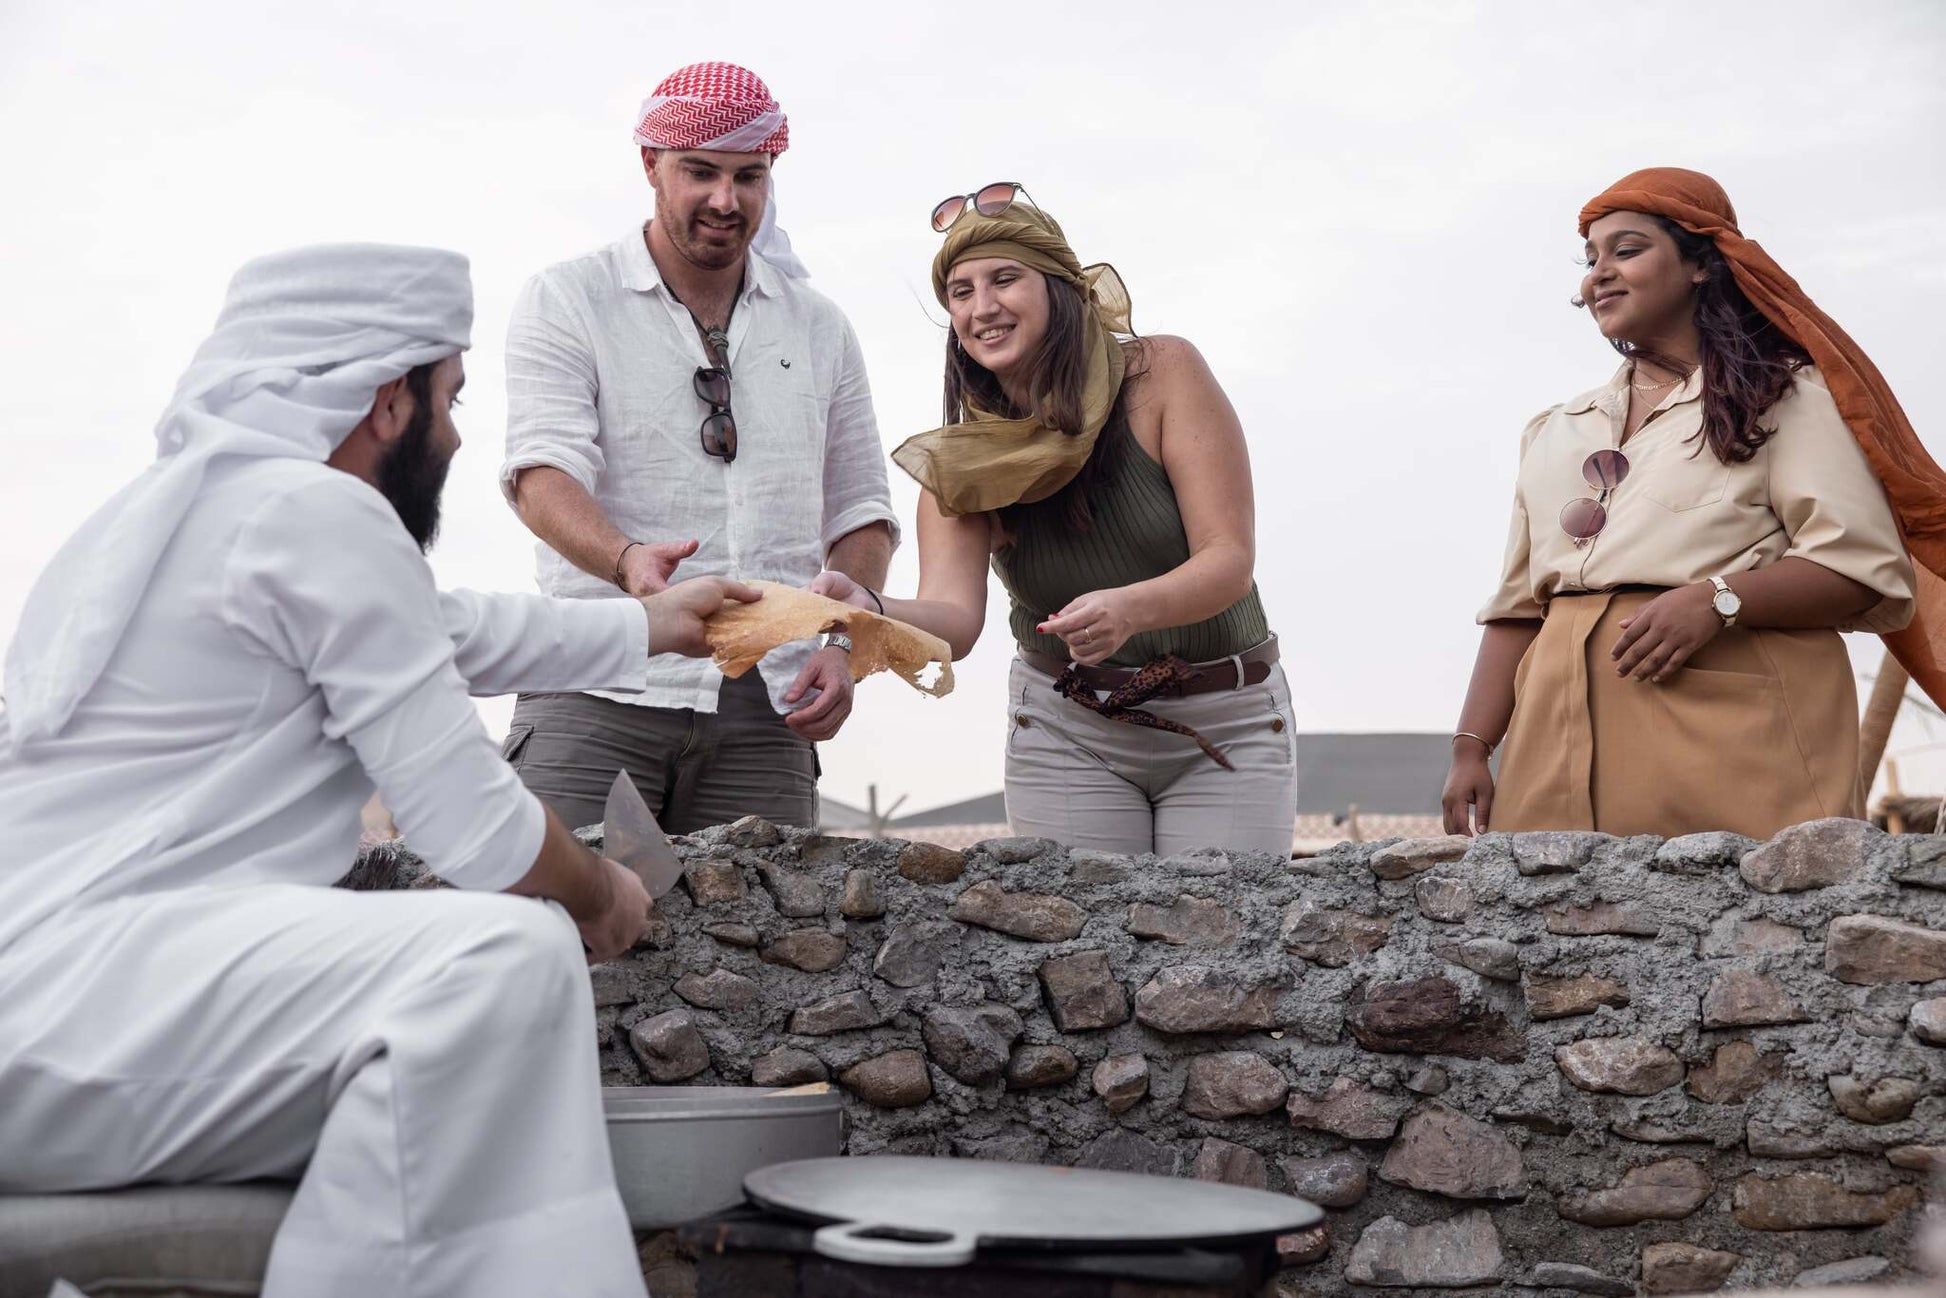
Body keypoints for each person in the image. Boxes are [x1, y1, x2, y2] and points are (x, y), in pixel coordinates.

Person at [0, 243, 757, 1298]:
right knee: (500, 953)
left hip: (72, 991)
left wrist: (648, 625)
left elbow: (449, 629)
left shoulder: (201, 516)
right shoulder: (316, 511)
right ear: (383, 398)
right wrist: (603, 893)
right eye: (445, 395)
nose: (454, 431)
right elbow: (476, 828)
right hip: (75, 1002)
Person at [1442, 167, 1946, 840]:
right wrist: (1471, 746)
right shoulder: (1554, 430)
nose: (1599, 274)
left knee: (1750, 933)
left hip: (1733, 743)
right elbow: (1516, 608)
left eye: (1627, 249)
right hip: (1550, 749)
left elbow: (1861, 569)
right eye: (1590, 260)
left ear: (1702, 265)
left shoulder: (1788, 399)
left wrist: (1717, 600)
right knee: (1548, 934)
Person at [813, 186, 1294, 856]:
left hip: (1228, 718)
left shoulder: (1163, 375)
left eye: (1005, 279)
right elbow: (953, 622)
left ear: (1060, 289)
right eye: (960, 291)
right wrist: (866, 607)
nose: (982, 307)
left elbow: (1228, 560)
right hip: (1070, 729)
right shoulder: (961, 466)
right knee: (1082, 955)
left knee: (1218, 948)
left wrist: (1130, 609)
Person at [500, 61, 898, 835]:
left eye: (750, 176)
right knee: (549, 936)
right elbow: (540, 476)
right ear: (650, 165)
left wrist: (841, 643)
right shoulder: (568, 297)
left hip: (768, 699)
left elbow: (862, 513)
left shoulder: (820, 326)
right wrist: (628, 563)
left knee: (767, 949)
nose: (727, 199)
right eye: (701, 172)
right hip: (598, 674)